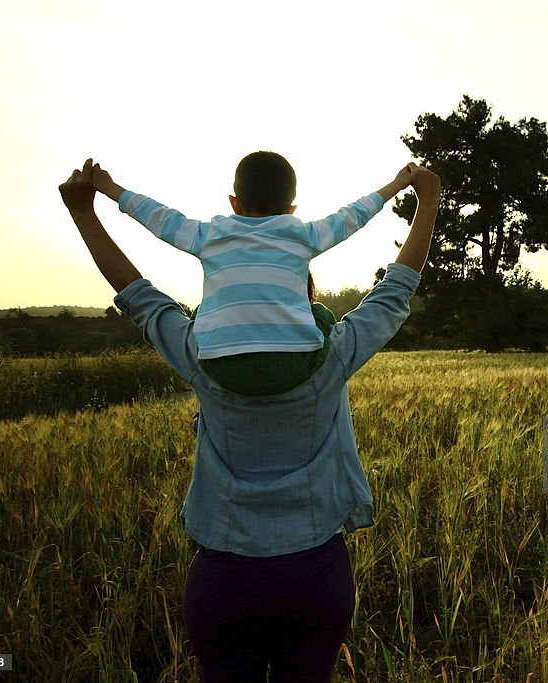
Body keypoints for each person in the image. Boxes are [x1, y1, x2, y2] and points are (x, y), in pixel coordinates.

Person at [59, 158, 441, 682]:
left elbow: (140, 297)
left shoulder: (202, 355)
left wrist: (86, 214)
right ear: (305, 296)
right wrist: (428, 204)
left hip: (223, 580)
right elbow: (395, 292)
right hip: (316, 575)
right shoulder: (332, 355)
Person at [89, 152, 417, 395]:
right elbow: (355, 214)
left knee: (207, 311)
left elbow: (156, 216)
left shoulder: (209, 234)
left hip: (221, 365)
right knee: (320, 316)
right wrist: (398, 184)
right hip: (294, 364)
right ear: (291, 209)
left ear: (235, 203)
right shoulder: (304, 234)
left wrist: (109, 188)